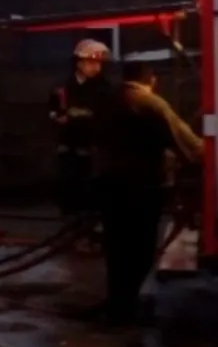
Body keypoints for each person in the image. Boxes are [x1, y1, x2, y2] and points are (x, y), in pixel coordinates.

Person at [90, 61, 203, 325]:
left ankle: (117, 304)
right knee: (139, 248)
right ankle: (127, 308)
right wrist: (208, 153)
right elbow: (184, 140)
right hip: (140, 186)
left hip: (108, 184)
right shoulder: (150, 103)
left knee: (116, 248)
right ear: (150, 78)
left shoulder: (107, 100)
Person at [48, 38, 113, 216]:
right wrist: (56, 116)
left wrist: (86, 115)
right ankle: (68, 210)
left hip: (91, 141)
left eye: (98, 63)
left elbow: (106, 112)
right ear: (79, 62)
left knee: (90, 178)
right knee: (67, 176)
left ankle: (89, 212)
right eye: (91, 62)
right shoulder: (63, 84)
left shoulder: (104, 87)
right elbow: (51, 108)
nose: (95, 67)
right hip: (67, 140)